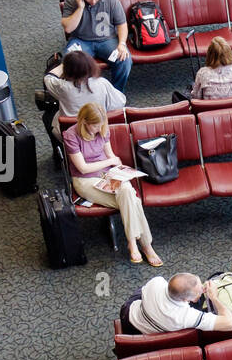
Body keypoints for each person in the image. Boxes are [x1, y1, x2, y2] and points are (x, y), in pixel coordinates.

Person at [64, 103, 160, 267]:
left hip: (107, 174)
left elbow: (111, 156)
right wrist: (110, 162)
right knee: (133, 201)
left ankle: (132, 242)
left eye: (101, 124)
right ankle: (146, 246)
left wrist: (120, 170)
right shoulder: (71, 135)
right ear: (84, 122)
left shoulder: (103, 129)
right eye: (95, 125)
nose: (99, 128)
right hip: (85, 180)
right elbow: (83, 168)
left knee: (127, 191)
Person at [61, 0, 132, 92]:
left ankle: (116, 93)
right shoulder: (71, 0)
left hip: (107, 40)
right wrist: (80, 8)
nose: (93, 2)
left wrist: (122, 44)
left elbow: (122, 24)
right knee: (68, 61)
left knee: (124, 60)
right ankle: (79, 94)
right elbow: (68, 28)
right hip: (81, 40)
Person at [120, 273, 232, 336]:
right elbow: (231, 323)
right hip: (141, 333)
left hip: (129, 313)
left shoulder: (156, 281)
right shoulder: (185, 316)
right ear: (185, 300)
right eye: (199, 292)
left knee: (141, 291)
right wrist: (214, 298)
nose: (202, 290)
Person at [44, 48, 126, 119]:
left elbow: (48, 77)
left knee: (47, 116)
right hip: (97, 128)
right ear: (90, 65)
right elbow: (120, 102)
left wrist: (64, 64)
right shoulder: (102, 83)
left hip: (71, 130)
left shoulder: (62, 87)